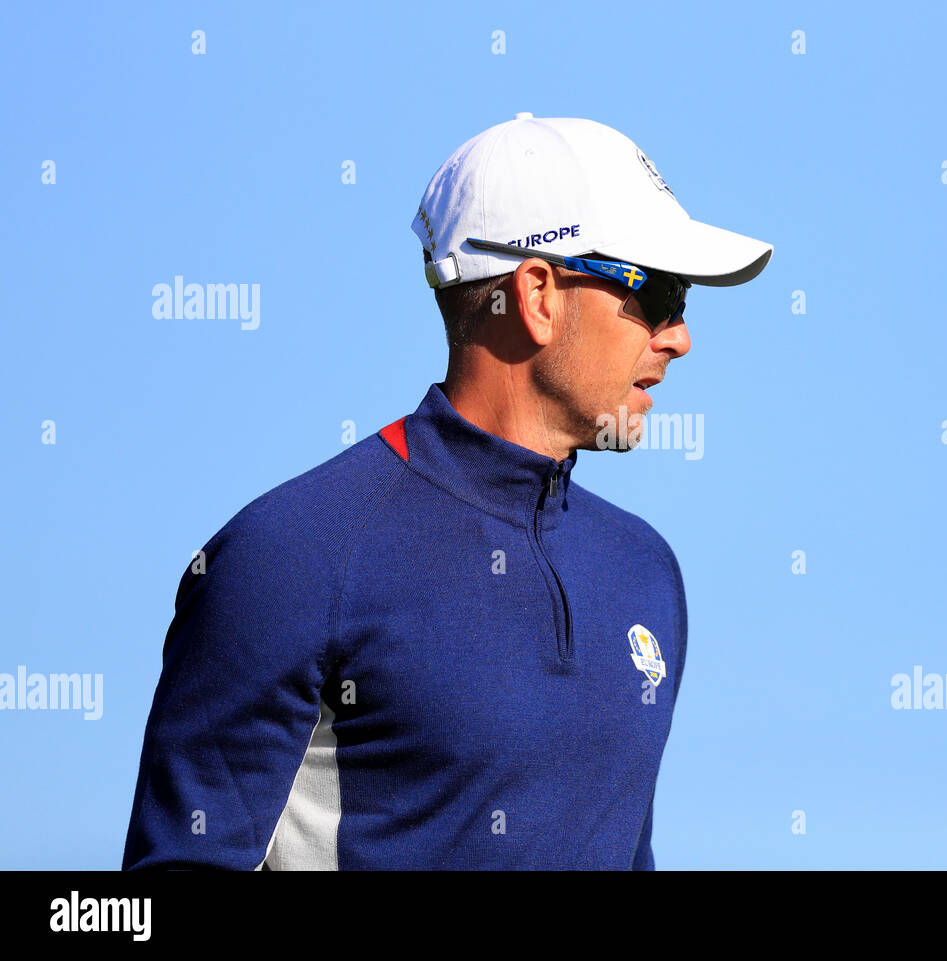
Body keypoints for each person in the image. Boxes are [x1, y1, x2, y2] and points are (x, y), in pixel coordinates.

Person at [121, 112, 773, 870]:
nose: (679, 335)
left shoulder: (643, 567)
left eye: (683, 300)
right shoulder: (291, 555)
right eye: (657, 293)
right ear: (537, 296)